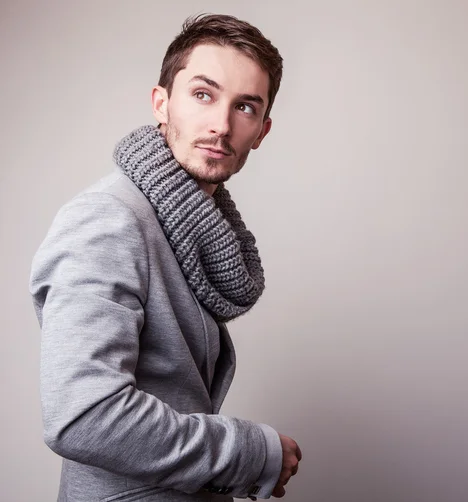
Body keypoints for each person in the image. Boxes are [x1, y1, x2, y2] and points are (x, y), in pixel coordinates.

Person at [29, 13, 301, 502]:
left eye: (244, 107)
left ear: (262, 129)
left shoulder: (192, 226)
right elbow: (83, 416)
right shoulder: (108, 220)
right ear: (162, 104)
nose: (221, 125)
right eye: (203, 94)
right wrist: (250, 451)